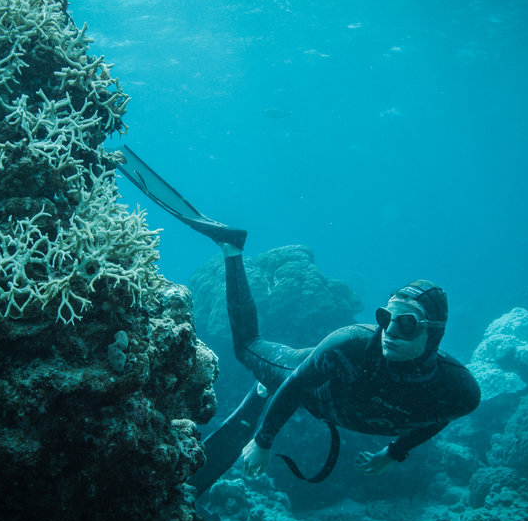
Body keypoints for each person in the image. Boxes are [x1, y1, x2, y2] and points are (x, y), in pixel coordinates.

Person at [117, 146, 480, 486]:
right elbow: (296, 386)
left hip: (333, 406)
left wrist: (393, 452)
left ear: (433, 332)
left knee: (273, 378)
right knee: (246, 348)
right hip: (305, 381)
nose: (390, 331)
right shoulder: (351, 344)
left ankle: (262, 389)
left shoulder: (459, 391)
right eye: (386, 317)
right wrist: (263, 440)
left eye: (407, 322)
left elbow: (437, 418)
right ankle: (230, 249)